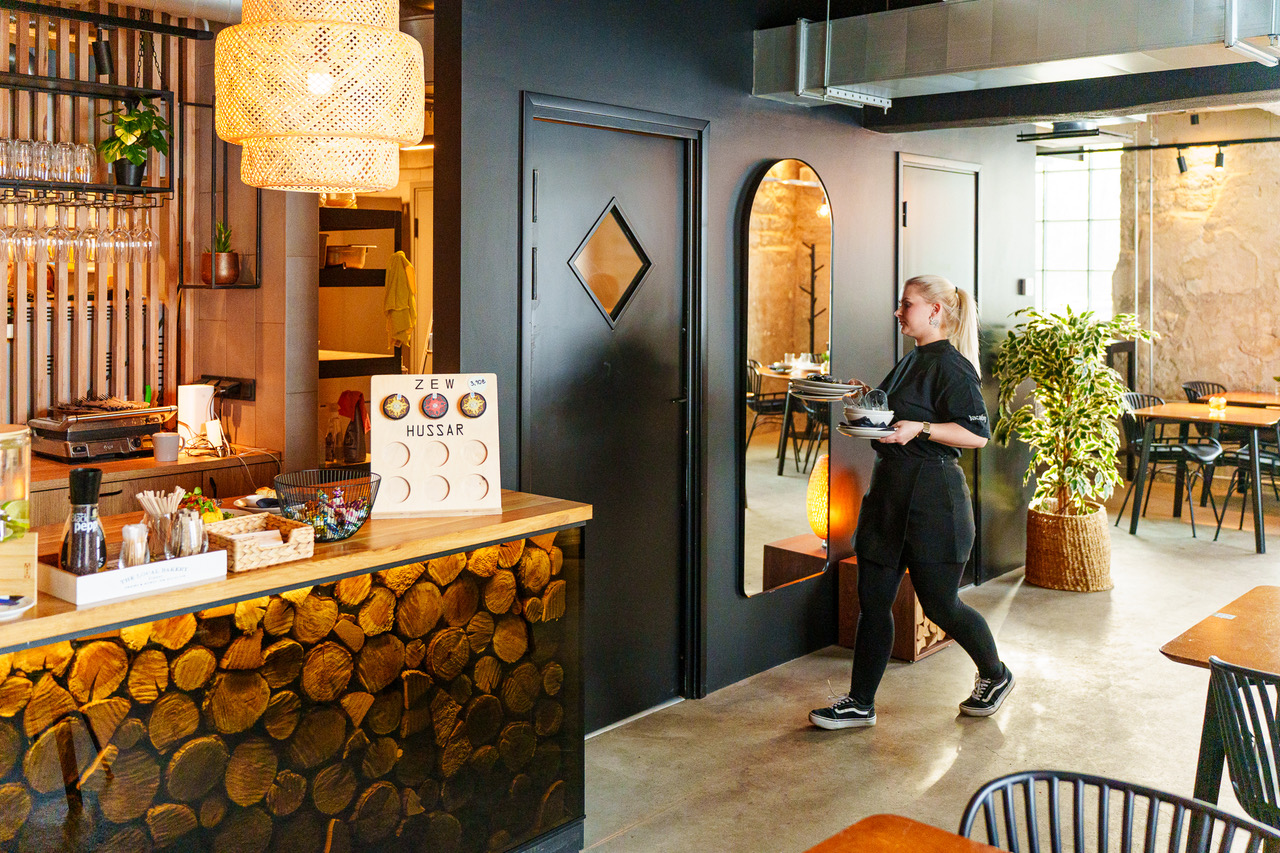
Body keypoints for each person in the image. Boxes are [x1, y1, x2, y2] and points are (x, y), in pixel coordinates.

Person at [809, 274, 1014, 729]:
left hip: (933, 501)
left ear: (935, 311)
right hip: (888, 494)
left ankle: (996, 674)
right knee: (873, 601)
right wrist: (864, 396)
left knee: (940, 605)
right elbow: (895, 416)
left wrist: (922, 429)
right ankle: (860, 703)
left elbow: (977, 434)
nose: (898, 311)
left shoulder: (953, 366)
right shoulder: (911, 359)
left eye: (907, 304)